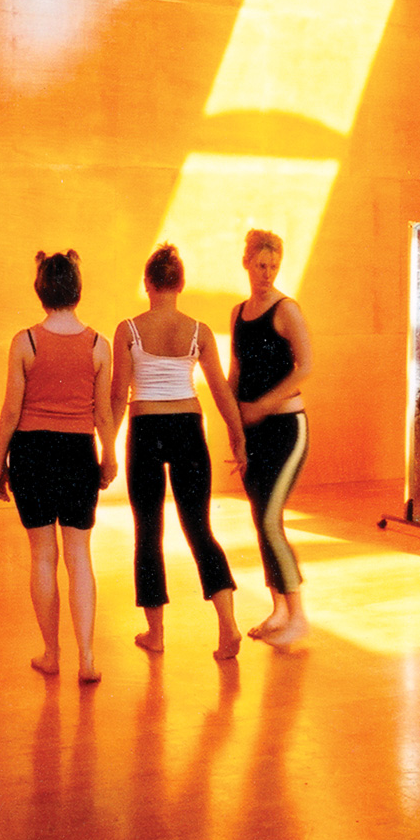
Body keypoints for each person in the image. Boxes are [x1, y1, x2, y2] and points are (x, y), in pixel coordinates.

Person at [110, 244, 247, 661]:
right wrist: (238, 437)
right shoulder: (199, 331)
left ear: (148, 284)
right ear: (181, 284)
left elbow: (118, 395)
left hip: (146, 428)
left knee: (148, 531)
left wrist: (106, 448)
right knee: (200, 528)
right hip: (188, 427)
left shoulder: (128, 330)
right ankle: (228, 626)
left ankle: (156, 634)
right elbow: (220, 391)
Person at [0, 251, 119, 683]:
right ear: (77, 288)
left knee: (43, 557)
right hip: (78, 453)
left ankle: (52, 654)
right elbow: (103, 414)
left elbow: (10, 412)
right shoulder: (98, 345)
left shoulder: (24, 342)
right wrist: (109, 457)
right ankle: (87, 658)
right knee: (79, 557)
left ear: (41, 288)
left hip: (32, 454)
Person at [229, 229, 313, 648]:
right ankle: (278, 608)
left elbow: (306, 367)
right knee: (261, 518)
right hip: (253, 433)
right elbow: (235, 373)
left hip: (287, 430)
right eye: (261, 265)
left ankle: (298, 616)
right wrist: (235, 430)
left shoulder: (287, 310)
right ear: (247, 263)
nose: (267, 273)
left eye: (274, 266)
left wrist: (263, 405)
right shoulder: (237, 313)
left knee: (268, 518)